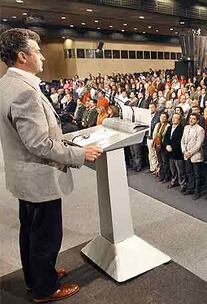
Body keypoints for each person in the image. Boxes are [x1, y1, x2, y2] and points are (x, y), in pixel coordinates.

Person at [0, 28, 102, 302]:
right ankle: (45, 289)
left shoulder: (5, 84)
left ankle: (36, 276)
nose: (43, 57)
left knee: (30, 231)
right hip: (39, 178)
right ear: (22, 56)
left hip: (23, 177)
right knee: (46, 235)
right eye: (37, 51)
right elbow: (39, 144)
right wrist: (80, 155)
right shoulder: (26, 93)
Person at [181, 112, 205, 200]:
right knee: (189, 173)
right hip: (186, 154)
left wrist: (190, 153)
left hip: (195, 155)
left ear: (197, 120)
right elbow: (182, 140)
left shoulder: (200, 130)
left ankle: (197, 191)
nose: (191, 120)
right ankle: (191, 188)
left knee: (197, 175)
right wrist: (184, 150)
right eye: (190, 118)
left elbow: (199, 144)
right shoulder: (186, 127)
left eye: (193, 119)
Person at [163, 113, 186, 190]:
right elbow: (166, 137)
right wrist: (167, 145)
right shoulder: (169, 127)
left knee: (180, 170)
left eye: (176, 118)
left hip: (178, 152)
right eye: (173, 117)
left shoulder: (181, 129)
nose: (173, 119)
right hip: (170, 152)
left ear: (179, 120)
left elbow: (180, 141)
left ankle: (182, 184)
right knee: (173, 169)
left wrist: (172, 147)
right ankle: (173, 181)